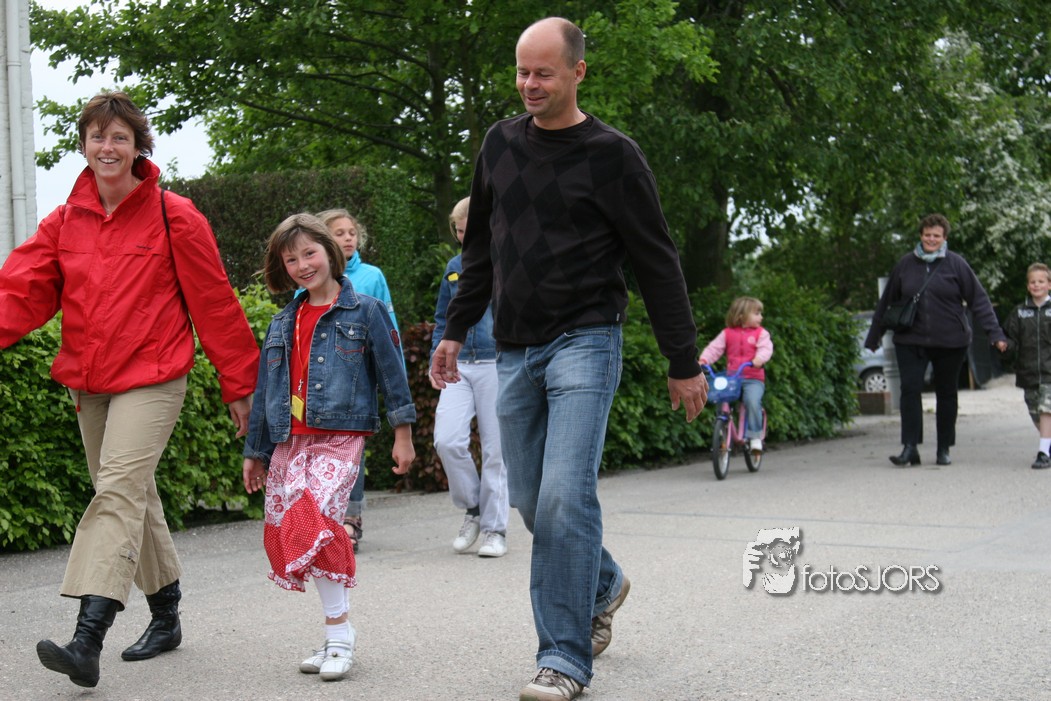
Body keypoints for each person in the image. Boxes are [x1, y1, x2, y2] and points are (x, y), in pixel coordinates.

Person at [429, 18, 708, 701]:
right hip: (514, 348)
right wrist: (456, 328)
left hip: (585, 341)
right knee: (528, 497)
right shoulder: (498, 144)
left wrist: (683, 359)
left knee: (563, 495)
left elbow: (656, 259)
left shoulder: (614, 156)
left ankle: (562, 658)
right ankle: (602, 582)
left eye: (543, 73)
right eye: (521, 72)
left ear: (578, 72)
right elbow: (479, 250)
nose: (529, 84)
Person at [0, 91, 259, 688]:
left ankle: (86, 639)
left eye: (119, 136)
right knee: (131, 494)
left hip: (154, 374)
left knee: (116, 492)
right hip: (91, 381)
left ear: (138, 146)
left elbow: (215, 303)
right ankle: (166, 615)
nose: (108, 147)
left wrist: (239, 383)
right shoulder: (65, 221)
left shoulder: (174, 215)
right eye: (97, 136)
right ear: (84, 145)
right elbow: (21, 291)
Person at [242, 213, 415, 683]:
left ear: (330, 252)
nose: (302, 265)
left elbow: (392, 373)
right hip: (290, 441)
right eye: (290, 259)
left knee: (314, 521)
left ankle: (339, 636)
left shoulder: (366, 311)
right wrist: (255, 452)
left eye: (309, 253)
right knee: (304, 531)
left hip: (341, 436)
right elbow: (266, 391)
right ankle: (337, 631)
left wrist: (403, 434)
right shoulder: (283, 321)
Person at [865, 213, 1006, 467]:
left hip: (950, 340)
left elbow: (978, 300)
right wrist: (874, 336)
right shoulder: (905, 265)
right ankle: (910, 447)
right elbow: (887, 303)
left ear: (944, 238)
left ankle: (943, 448)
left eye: (937, 236)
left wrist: (995, 333)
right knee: (909, 390)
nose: (931, 239)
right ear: (921, 235)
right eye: (927, 235)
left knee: (947, 393)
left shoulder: (956, 264)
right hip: (911, 339)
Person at [316, 209, 401, 552]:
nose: (348, 238)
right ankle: (324, 519)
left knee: (353, 451)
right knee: (319, 450)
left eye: (352, 232)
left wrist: (395, 378)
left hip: (359, 381)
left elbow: (390, 330)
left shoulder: (372, 276)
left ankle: (351, 518)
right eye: (339, 233)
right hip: (320, 383)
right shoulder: (311, 278)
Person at [429, 196, 509, 557]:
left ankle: (495, 529)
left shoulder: (506, 261)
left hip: (496, 362)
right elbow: (443, 319)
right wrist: (436, 357)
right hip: (459, 365)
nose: (465, 238)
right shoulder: (453, 267)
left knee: (496, 451)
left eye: (470, 230)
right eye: (459, 232)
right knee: (447, 440)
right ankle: (474, 508)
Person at [698, 296, 773, 454]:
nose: (761, 317)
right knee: (720, 397)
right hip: (733, 378)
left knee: (752, 401)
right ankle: (722, 429)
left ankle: (755, 437)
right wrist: (704, 360)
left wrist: (759, 359)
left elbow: (766, 348)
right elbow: (714, 349)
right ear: (741, 315)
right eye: (757, 313)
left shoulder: (761, 333)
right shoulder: (727, 333)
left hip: (753, 378)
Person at [1000, 263, 1049, 469]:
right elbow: (1010, 338)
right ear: (1028, 286)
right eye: (1033, 282)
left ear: (1049, 284)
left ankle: (1043, 453)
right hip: (1028, 372)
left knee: (1046, 409)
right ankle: (1048, 445)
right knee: (1035, 412)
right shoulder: (1019, 312)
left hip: (1049, 372)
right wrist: (1003, 345)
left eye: (1041, 281)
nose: (1037, 285)